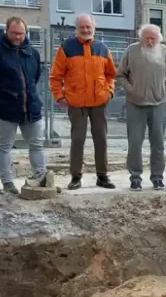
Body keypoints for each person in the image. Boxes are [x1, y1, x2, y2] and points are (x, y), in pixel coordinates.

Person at [50, 14, 117, 191]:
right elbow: (55, 76)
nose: (86, 30)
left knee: (101, 139)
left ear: (94, 27)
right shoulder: (66, 48)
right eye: (82, 28)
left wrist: (109, 92)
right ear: (76, 29)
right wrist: (59, 96)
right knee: (78, 140)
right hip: (76, 102)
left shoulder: (102, 48)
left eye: (88, 27)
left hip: (99, 102)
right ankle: (75, 177)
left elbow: (111, 74)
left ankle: (102, 176)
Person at [0, 16, 45, 194]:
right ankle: (7, 182)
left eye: (22, 34)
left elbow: (35, 77)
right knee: (4, 146)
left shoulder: (33, 53)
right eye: (14, 33)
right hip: (5, 109)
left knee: (37, 144)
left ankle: (41, 176)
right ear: (6, 31)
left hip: (30, 107)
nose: (18, 37)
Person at [117, 24, 166, 191]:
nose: (150, 41)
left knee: (158, 143)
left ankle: (157, 177)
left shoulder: (165, 52)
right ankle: (135, 177)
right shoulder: (132, 50)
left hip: (158, 104)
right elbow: (120, 74)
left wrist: (162, 91)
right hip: (135, 104)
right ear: (141, 38)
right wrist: (131, 90)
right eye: (147, 38)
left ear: (158, 39)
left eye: (153, 38)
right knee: (135, 143)